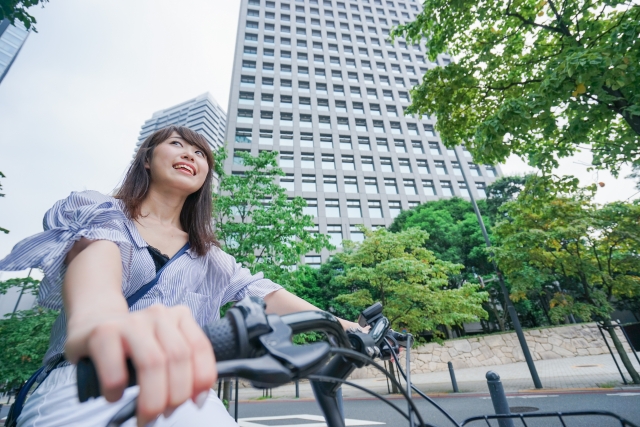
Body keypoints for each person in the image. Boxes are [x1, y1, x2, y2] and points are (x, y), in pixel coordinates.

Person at [0, 126, 362, 427]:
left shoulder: (211, 256)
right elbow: (97, 262)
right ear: (146, 158)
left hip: (187, 391)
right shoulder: (104, 213)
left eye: (200, 153)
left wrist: (349, 328)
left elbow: (268, 295)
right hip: (88, 381)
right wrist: (100, 323)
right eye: (177, 144)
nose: (190, 155)